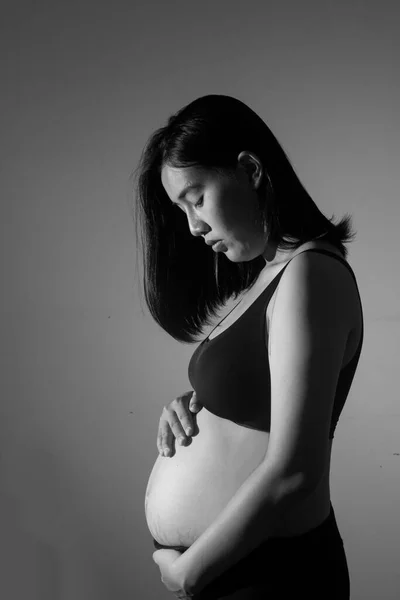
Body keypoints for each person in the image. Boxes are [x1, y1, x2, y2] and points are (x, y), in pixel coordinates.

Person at [134, 95, 363, 599]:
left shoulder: (311, 273)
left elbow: (295, 472)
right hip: (242, 570)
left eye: (196, 198)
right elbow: (258, 401)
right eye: (181, 209)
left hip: (275, 575)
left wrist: (189, 572)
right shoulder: (267, 278)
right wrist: (194, 407)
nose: (192, 225)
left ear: (250, 169)